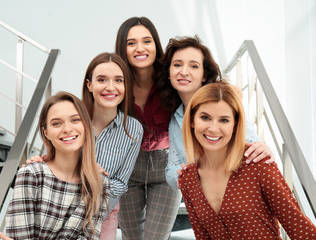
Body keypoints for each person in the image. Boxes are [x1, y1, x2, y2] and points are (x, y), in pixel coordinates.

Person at [179, 81, 316, 239]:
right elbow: (202, 237)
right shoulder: (187, 179)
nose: (213, 128)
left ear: (235, 125)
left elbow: (301, 230)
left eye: (224, 120)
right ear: (192, 121)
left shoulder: (257, 164)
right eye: (205, 117)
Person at [162, 35, 274, 190]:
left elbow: (252, 145)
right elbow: (171, 171)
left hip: (238, 194)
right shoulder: (176, 119)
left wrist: (263, 149)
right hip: (205, 201)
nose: (184, 72)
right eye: (177, 65)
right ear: (168, 73)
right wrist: (191, 176)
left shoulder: (225, 102)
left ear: (204, 75)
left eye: (194, 66)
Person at [1, 92, 110, 239]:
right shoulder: (31, 174)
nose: (67, 129)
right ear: (46, 133)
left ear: (86, 125)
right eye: (56, 123)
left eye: (75, 120)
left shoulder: (100, 183)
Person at [115, 17, 181, 240]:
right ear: (123, 48)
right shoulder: (115, 82)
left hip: (167, 166)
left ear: (156, 45)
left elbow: (205, 93)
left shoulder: (172, 77)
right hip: (126, 166)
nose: (140, 48)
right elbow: (88, 120)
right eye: (131, 43)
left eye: (147, 41)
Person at [82, 52, 143, 239]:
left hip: (105, 215)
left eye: (118, 80)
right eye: (102, 80)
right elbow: (54, 169)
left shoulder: (133, 129)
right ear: (89, 85)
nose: (110, 87)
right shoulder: (74, 121)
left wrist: (91, 180)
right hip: (62, 209)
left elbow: (120, 184)